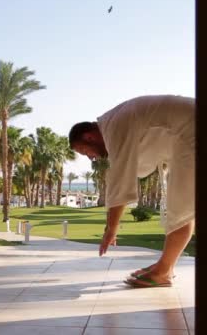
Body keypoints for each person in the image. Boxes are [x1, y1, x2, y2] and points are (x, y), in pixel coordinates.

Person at [68, 95, 195, 288]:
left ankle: (164, 270)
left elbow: (120, 178)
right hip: (188, 132)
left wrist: (111, 228)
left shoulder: (114, 127)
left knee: (181, 209)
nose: (91, 158)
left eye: (86, 152)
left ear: (89, 137)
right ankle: (165, 267)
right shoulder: (114, 121)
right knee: (179, 207)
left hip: (193, 132)